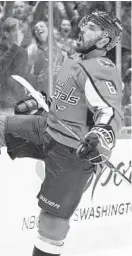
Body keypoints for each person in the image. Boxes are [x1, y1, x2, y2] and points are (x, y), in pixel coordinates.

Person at [0, 11, 123, 256]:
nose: (82, 28)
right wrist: (43, 102)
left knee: (52, 222)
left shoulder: (101, 67)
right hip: (48, 129)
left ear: (102, 41)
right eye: (84, 24)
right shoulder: (74, 60)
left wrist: (101, 136)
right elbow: (73, 99)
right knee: (2, 125)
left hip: (73, 153)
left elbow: (109, 111)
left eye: (91, 28)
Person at [27, 21, 64, 97]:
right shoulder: (33, 49)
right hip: (41, 94)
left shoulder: (60, 49)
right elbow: (26, 72)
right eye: (36, 28)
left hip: (59, 92)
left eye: (41, 26)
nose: (38, 28)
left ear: (49, 29)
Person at [0, 17, 28, 109]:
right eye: (16, 30)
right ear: (6, 33)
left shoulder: (22, 52)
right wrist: (15, 46)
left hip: (19, 104)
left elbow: (22, 77)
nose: (20, 34)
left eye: (21, 30)